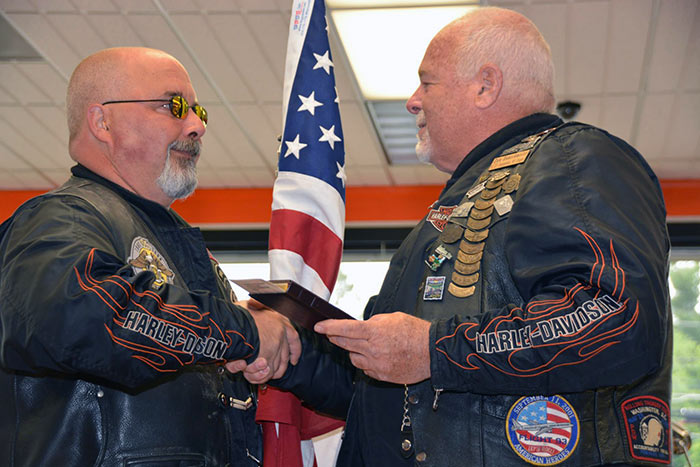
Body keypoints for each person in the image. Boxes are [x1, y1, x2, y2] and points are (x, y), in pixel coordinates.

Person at [256, 7, 673, 466]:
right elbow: (379, 395)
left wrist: (432, 350)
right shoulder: (449, 214)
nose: (413, 101)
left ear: (485, 85)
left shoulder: (571, 158)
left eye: (427, 83)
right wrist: (283, 350)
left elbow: (614, 317)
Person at [0, 47, 300, 466]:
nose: (196, 126)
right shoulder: (57, 219)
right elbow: (83, 315)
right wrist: (243, 330)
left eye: (199, 112)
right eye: (173, 106)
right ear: (102, 122)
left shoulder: (172, 241)